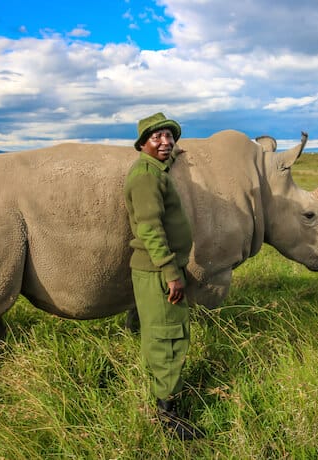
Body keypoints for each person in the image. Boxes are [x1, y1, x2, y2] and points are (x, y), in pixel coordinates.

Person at [123, 112, 203, 440]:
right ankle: (168, 418)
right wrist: (171, 273)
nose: (166, 142)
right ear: (142, 144)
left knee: (160, 334)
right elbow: (150, 228)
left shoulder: (155, 170)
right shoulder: (145, 175)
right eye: (157, 138)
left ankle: (163, 400)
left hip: (157, 270)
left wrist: (171, 157)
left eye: (170, 137)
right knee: (168, 338)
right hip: (159, 272)